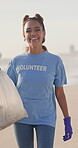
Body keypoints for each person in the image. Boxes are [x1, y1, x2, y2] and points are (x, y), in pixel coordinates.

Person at [7, 13, 73, 148]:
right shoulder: (16, 61)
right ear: (24, 35)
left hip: (46, 117)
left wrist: (67, 119)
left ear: (44, 33)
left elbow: (59, 93)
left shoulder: (55, 61)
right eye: (28, 30)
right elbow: (8, 90)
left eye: (37, 29)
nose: (33, 33)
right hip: (22, 117)